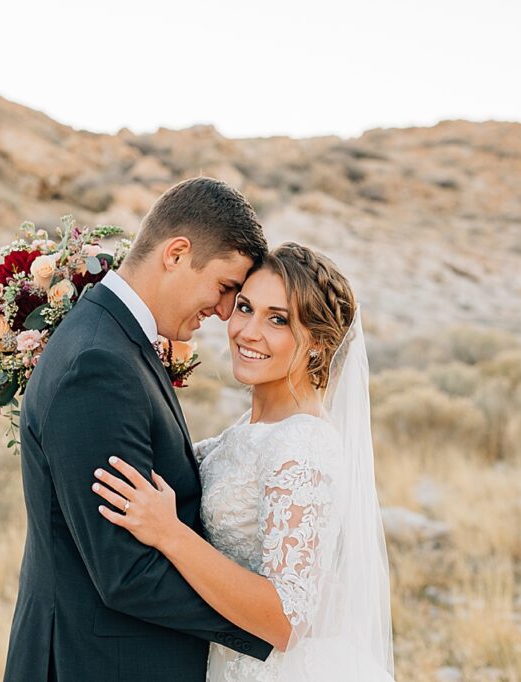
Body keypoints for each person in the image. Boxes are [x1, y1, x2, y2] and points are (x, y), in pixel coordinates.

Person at [3, 177, 272, 682]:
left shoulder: (114, 338)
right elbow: (124, 572)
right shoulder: (98, 364)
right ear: (176, 253)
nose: (221, 312)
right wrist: (269, 621)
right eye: (224, 287)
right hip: (99, 664)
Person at [92, 243, 395, 681]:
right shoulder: (254, 429)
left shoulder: (303, 445)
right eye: (245, 308)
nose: (248, 331)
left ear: (318, 345)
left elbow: (286, 621)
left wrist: (169, 533)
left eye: (278, 320)